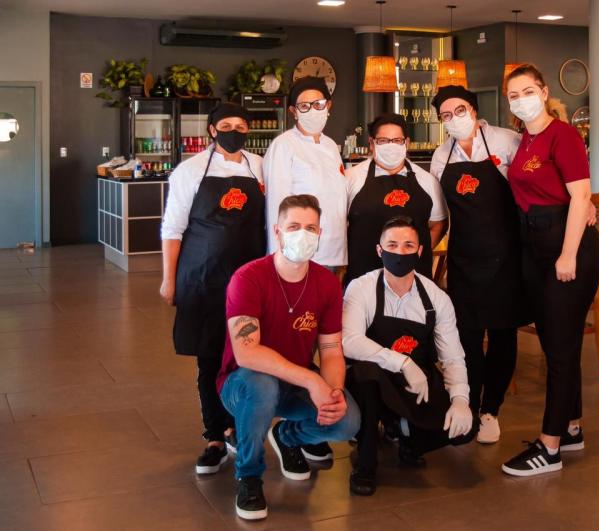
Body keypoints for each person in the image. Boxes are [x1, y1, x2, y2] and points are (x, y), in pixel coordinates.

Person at [218, 194, 360, 521]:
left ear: (321, 233)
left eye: (311, 227)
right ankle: (249, 476)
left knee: (347, 420)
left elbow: (330, 349)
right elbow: (246, 351)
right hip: (242, 384)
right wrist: (312, 380)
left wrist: (333, 391)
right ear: (277, 231)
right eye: (294, 226)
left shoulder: (326, 283)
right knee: (263, 387)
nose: (303, 234)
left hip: (293, 382)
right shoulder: (249, 278)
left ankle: (286, 436)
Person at [501, 64, 599, 477]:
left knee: (560, 352)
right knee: (556, 345)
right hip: (537, 248)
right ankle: (572, 427)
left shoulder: (563, 134)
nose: (521, 99)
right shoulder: (525, 140)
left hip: (567, 248)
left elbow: (581, 196)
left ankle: (550, 446)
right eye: (513, 95)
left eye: (527, 90)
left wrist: (568, 254)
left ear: (543, 92)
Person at [160, 102, 265, 476]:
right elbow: (173, 229)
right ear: (211, 131)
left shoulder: (260, 166)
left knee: (245, 354)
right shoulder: (189, 170)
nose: (234, 130)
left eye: (240, 125)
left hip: (249, 278)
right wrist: (169, 279)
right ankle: (214, 436)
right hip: (202, 277)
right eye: (226, 124)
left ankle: (239, 426)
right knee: (208, 357)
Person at [342, 216, 477, 496]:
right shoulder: (362, 287)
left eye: (408, 246)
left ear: (419, 251)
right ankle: (366, 462)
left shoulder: (437, 298)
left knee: (465, 427)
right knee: (366, 374)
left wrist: (461, 400)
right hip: (373, 383)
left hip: (417, 386)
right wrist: (402, 362)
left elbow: (452, 357)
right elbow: (349, 341)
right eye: (392, 245)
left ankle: (402, 432)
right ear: (379, 251)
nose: (400, 252)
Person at [429, 85, 526, 444]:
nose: (454, 119)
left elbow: (529, 191)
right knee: (467, 336)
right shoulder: (442, 156)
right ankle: (467, 404)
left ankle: (491, 410)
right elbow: (439, 213)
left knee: (502, 333)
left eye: (460, 110)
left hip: (505, 256)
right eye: (445, 116)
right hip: (465, 258)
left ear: (473, 109)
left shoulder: (505, 141)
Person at [345, 112, 447, 284]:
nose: (390, 146)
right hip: (363, 276)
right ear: (372, 143)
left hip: (414, 277)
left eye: (397, 140)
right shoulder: (351, 178)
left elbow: (438, 223)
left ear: (406, 143)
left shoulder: (427, 180)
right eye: (383, 141)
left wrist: (413, 254)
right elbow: (340, 227)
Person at [263, 76, 348, 272]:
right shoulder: (284, 145)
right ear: (293, 111)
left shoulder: (330, 146)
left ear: (328, 106)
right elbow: (276, 204)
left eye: (318, 104)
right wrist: (278, 253)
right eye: (304, 106)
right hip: (298, 251)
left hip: (334, 247)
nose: (312, 111)